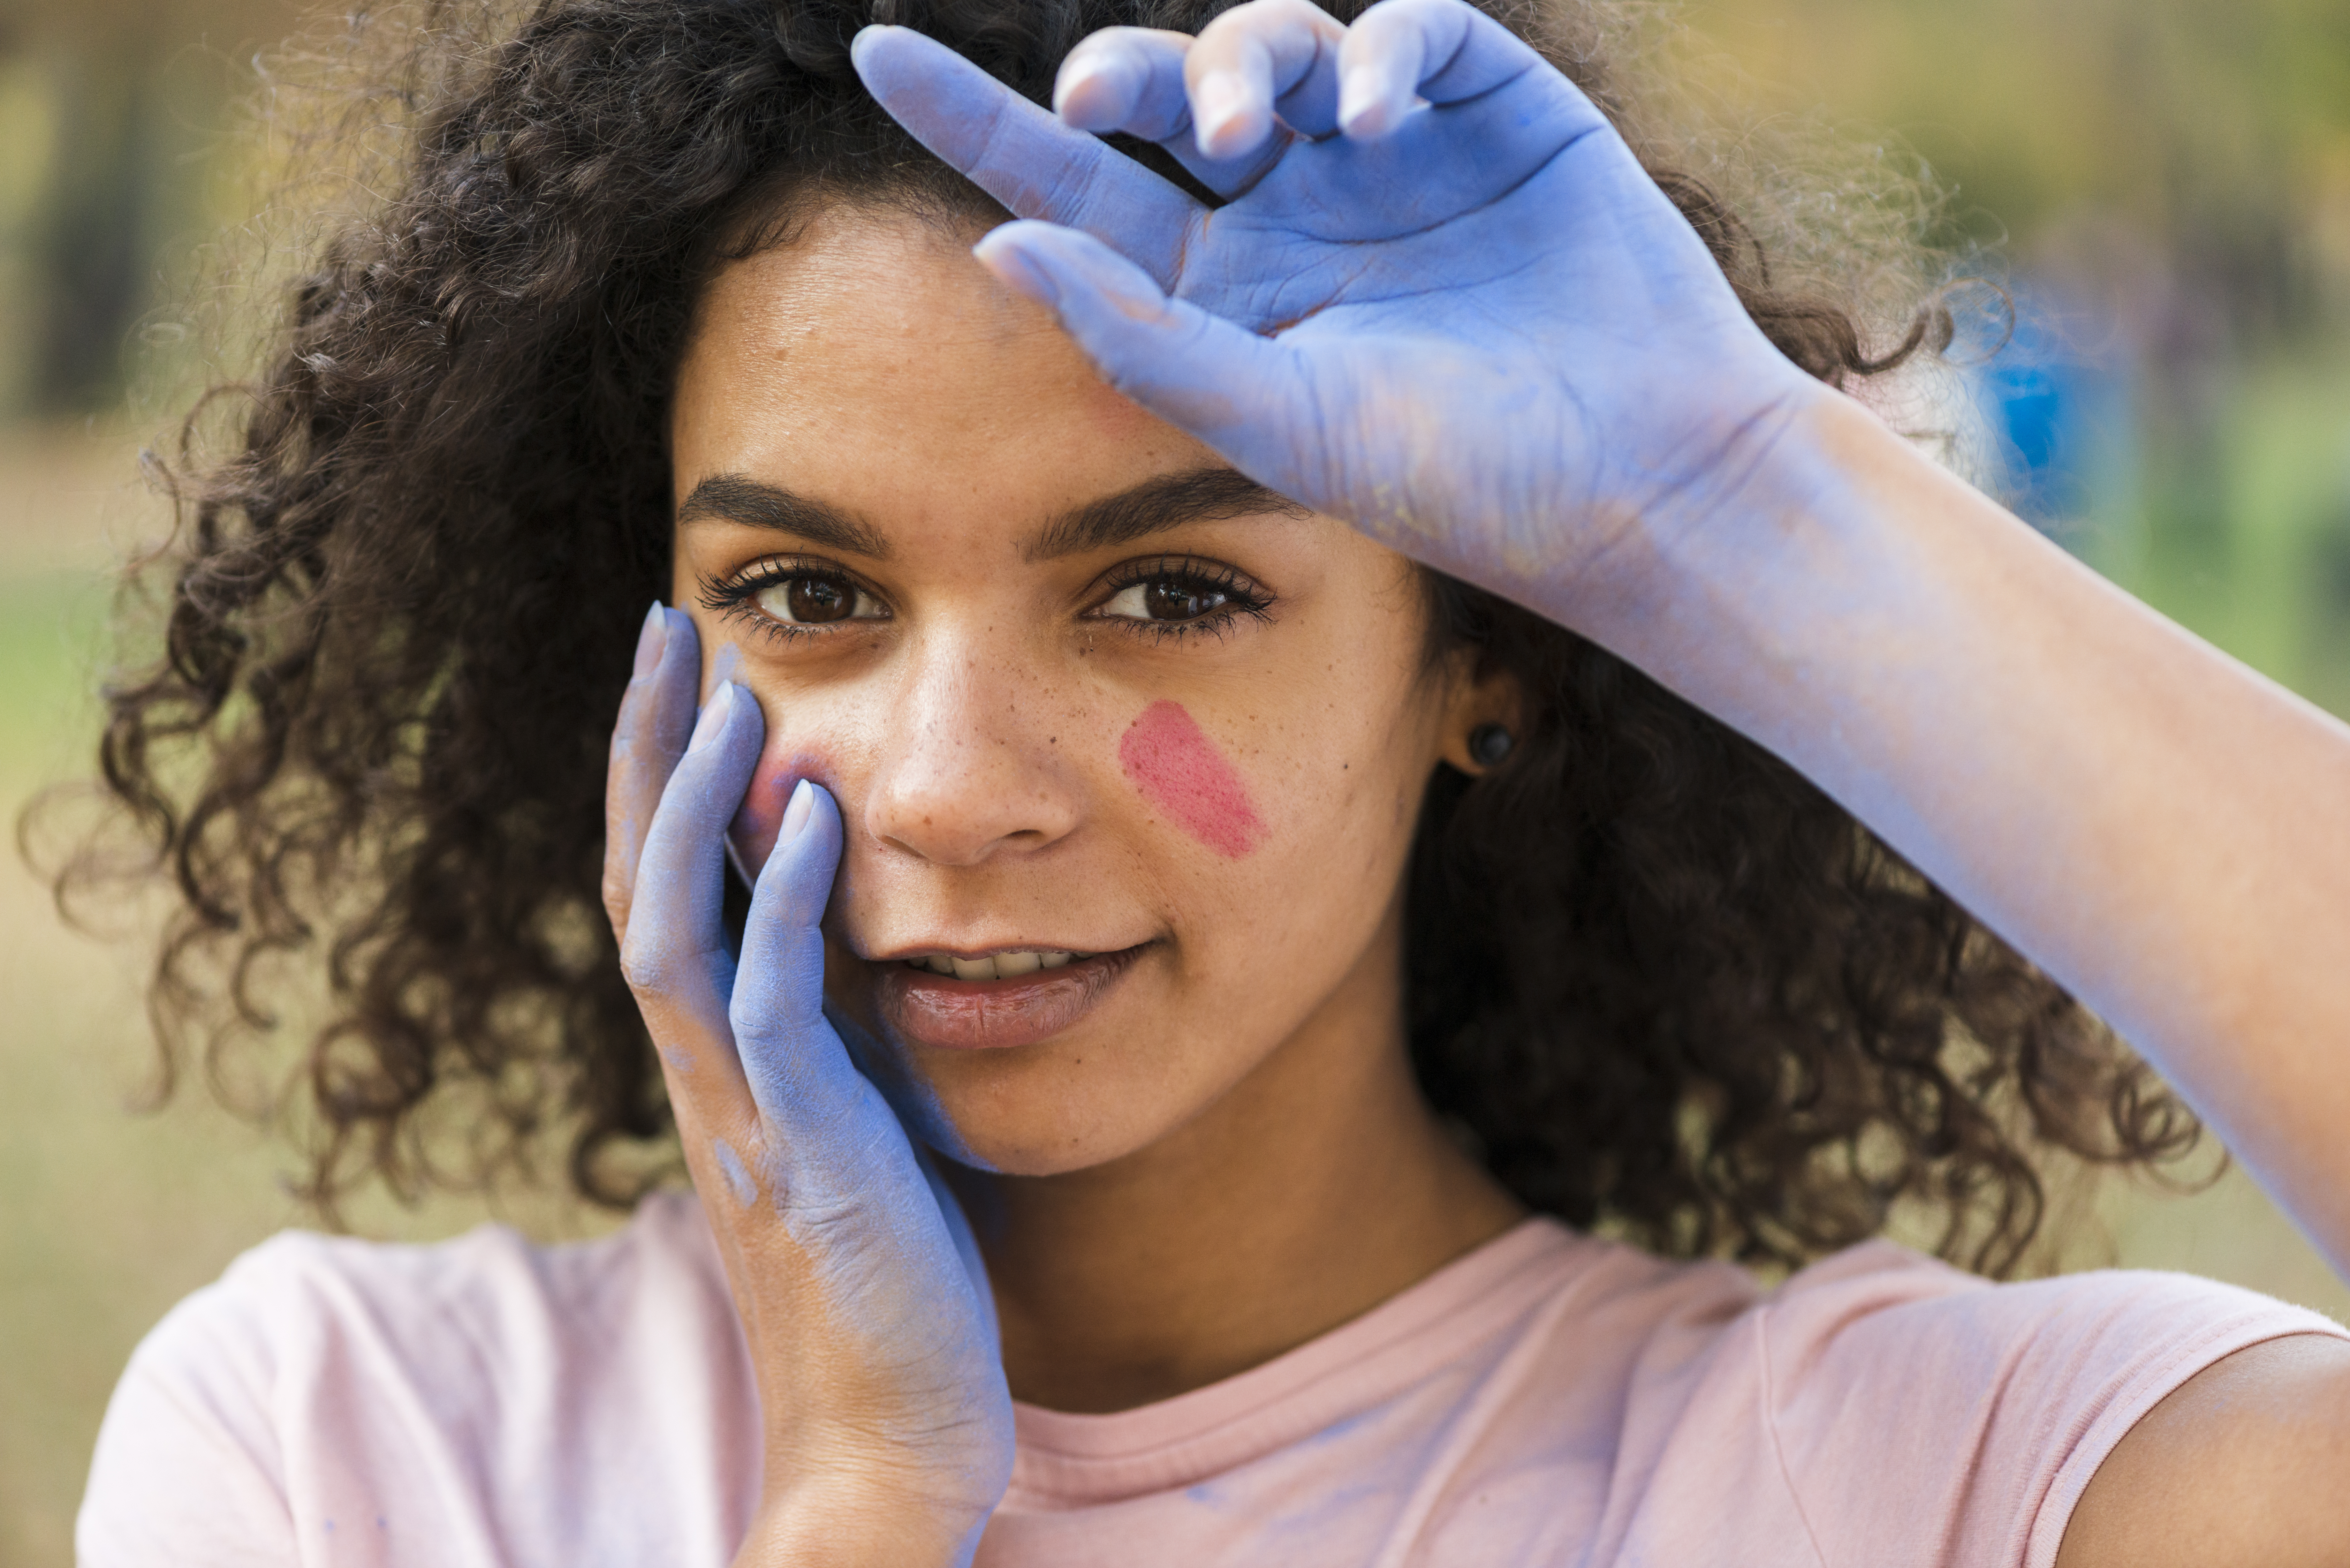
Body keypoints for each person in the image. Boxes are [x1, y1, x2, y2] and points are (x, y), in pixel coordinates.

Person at [64, 0, 2350, 1561]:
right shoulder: (350, 1448)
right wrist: (865, 1488)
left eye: (1167, 596)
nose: (951, 790)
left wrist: (1740, 488)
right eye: (801, 591)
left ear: (1492, 655)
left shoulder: (1921, 1487)